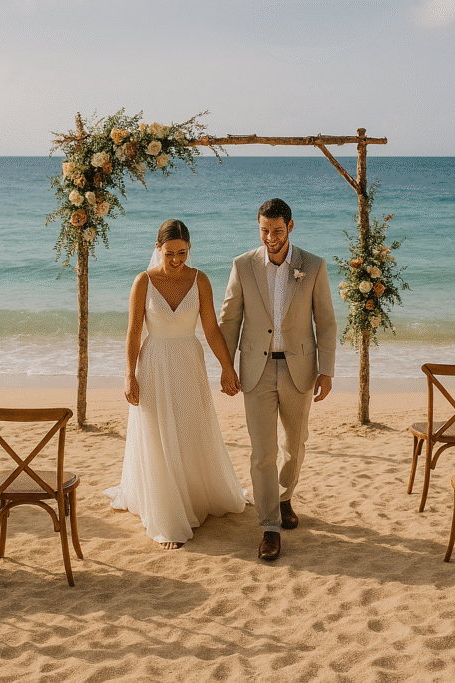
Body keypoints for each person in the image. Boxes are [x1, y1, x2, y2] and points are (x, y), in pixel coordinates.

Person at [104, 219, 247, 550]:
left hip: (189, 362)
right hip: (153, 364)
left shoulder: (200, 280)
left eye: (182, 253)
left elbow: (211, 329)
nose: (176, 260)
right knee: (158, 433)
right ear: (158, 249)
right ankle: (167, 514)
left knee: (189, 428)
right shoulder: (143, 282)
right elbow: (133, 332)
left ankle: (194, 499)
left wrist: (227, 367)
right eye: (170, 253)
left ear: (189, 249)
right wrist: (129, 374)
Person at [219, 198, 337, 561]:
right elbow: (229, 319)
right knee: (262, 452)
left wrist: (327, 370)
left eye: (277, 230)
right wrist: (227, 367)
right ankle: (269, 526)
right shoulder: (242, 265)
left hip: (299, 368)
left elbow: (327, 321)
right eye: (264, 230)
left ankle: (285, 496)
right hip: (255, 369)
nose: (271, 237)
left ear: (291, 227)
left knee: (295, 444)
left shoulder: (313, 266)